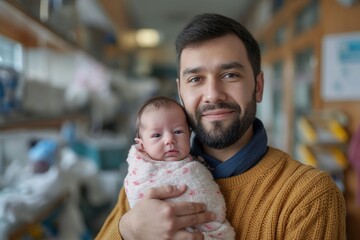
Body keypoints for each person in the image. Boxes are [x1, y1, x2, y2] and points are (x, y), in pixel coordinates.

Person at [96, 13, 346, 240]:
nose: (212, 95)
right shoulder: (149, 176)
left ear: (258, 87)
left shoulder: (308, 197)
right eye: (195, 79)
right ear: (181, 93)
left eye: (230, 75)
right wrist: (128, 230)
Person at [123, 95, 235, 239]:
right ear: (142, 145)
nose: (170, 140)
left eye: (178, 132)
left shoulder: (196, 162)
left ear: (189, 134)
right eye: (157, 135)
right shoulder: (141, 174)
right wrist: (131, 229)